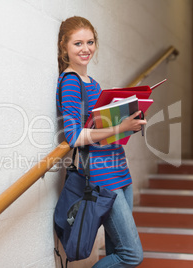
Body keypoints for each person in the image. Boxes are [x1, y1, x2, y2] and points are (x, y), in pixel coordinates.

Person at [56, 16, 146, 267]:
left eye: (90, 42)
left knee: (116, 250)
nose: (86, 49)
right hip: (103, 179)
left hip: (120, 171)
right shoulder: (71, 82)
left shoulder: (92, 84)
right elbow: (74, 137)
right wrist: (120, 127)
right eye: (77, 44)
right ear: (64, 47)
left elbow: (98, 128)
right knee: (131, 255)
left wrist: (131, 121)